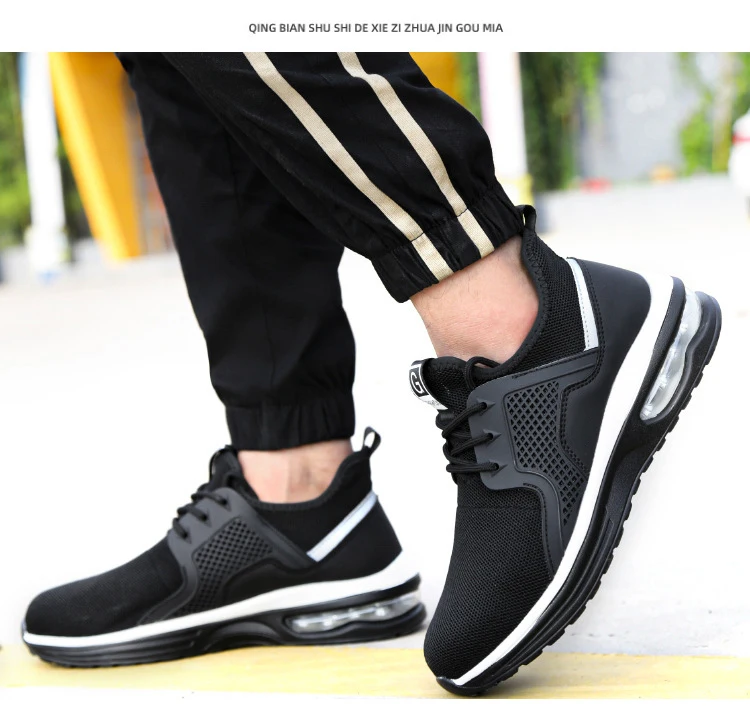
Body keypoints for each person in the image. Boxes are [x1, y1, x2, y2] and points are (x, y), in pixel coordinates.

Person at [22, 53, 721, 695]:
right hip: (299, 490)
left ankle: (516, 320)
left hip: (520, 305)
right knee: (161, 52)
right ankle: (297, 490)